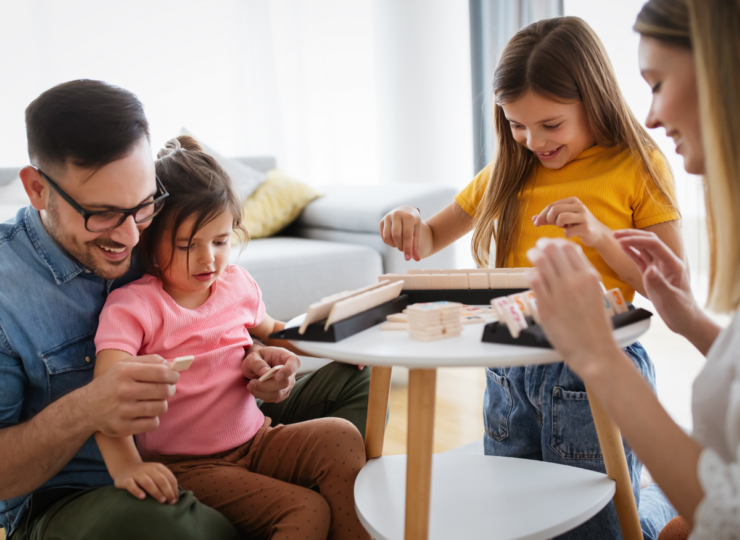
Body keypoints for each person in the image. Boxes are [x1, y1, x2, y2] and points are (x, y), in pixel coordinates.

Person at [0, 80, 370, 540]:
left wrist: (258, 356)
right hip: (90, 488)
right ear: (37, 189)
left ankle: (292, 511)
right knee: (165, 522)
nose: (132, 239)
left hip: (233, 430)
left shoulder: (165, 229)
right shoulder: (7, 292)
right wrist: (89, 410)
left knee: (358, 381)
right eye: (102, 214)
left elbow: (225, 321)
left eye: (142, 207)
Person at [379, 16, 681, 539]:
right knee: (518, 516)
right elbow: (426, 240)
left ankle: (659, 508)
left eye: (550, 124)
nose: (532, 140)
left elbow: (670, 284)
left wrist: (599, 235)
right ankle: (651, 495)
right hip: (510, 368)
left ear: (594, 98)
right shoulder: (510, 168)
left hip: (594, 372)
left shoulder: (637, 164)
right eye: (517, 124)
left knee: (598, 527)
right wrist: (406, 221)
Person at [524, 0, 740, 538]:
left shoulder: (635, 165)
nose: (651, 115)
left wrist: (598, 356)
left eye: (658, 83)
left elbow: (727, 510)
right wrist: (689, 317)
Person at [94, 135, 370, 540]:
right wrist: (127, 466)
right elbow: (105, 394)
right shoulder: (133, 307)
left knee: (340, 436)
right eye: (189, 245)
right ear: (150, 242)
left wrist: (333, 344)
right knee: (305, 510)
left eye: (221, 242)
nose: (209, 259)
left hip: (258, 440)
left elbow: (275, 331)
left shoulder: (236, 284)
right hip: (190, 467)